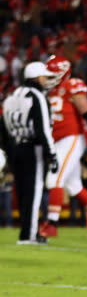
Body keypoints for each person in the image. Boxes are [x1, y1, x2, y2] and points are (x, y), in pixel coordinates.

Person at [38, 55, 87, 239]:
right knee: (73, 186)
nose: (48, 77)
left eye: (51, 74)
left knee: (54, 179)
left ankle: (52, 224)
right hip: (58, 139)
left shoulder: (71, 85)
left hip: (71, 137)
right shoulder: (52, 91)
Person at [0, 62, 58, 244]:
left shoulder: (11, 96)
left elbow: (3, 128)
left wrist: (9, 154)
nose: (45, 80)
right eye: (44, 77)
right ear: (38, 77)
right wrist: (52, 154)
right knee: (33, 192)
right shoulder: (37, 96)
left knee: (22, 192)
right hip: (33, 149)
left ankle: (26, 232)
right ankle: (29, 235)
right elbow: (43, 129)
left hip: (16, 148)